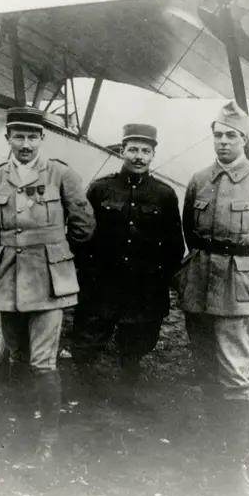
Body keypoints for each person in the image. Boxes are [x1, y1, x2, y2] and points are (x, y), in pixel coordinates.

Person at [173, 101, 249, 496]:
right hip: (199, 283)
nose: (223, 142)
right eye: (218, 135)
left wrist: (247, 272)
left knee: (235, 375)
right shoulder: (199, 180)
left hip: (236, 290)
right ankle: (214, 448)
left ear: (244, 140)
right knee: (204, 367)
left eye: (231, 136)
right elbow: (191, 229)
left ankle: (235, 467)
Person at [0, 106, 95, 463]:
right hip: (10, 280)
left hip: (48, 283)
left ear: (42, 139)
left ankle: (49, 437)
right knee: (17, 356)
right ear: (8, 138)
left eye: (32, 137)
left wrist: (54, 254)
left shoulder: (61, 174)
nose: (25, 144)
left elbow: (84, 226)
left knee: (44, 362)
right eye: (19, 136)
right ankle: (24, 427)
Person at [72, 123, 183, 408]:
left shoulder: (164, 195)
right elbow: (81, 235)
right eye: (133, 149)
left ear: (153, 155)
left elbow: (174, 246)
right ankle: (86, 395)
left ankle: (126, 394)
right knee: (86, 342)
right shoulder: (100, 189)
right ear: (122, 151)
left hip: (143, 287)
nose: (138, 156)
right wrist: (87, 275)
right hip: (102, 284)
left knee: (137, 344)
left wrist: (159, 279)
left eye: (146, 151)